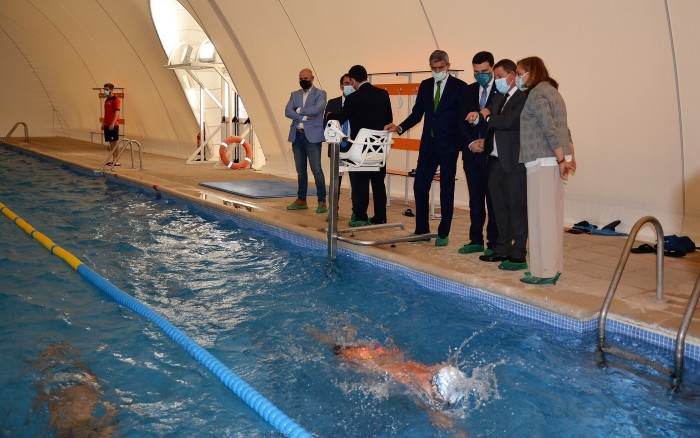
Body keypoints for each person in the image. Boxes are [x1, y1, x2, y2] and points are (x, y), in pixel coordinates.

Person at [308, 327, 469, 435]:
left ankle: (347, 333)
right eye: (437, 398)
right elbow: (426, 406)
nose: (436, 401)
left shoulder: (433, 370)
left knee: (345, 345)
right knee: (336, 348)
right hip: (365, 360)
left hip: (383, 355)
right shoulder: (409, 381)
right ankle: (316, 334)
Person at [385, 50, 468, 246]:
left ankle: (443, 233)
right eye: (433, 68)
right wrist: (400, 127)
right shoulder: (425, 85)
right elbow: (417, 113)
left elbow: (462, 119)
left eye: (440, 68)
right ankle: (421, 228)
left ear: (448, 65)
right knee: (420, 185)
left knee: (446, 188)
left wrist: (463, 144)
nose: (437, 71)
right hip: (428, 144)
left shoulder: (460, 87)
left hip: (449, 145)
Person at [516, 56, 576, 285]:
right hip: (554, 159)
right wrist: (569, 157)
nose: (519, 77)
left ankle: (543, 271)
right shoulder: (553, 91)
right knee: (553, 216)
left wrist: (562, 159)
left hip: (543, 160)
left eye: (520, 72)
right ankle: (554, 267)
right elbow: (565, 128)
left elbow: (548, 127)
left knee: (541, 217)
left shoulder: (537, 93)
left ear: (530, 72)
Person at [465, 59, 528, 271]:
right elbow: (489, 111)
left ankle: (519, 253)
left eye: (499, 76)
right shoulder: (500, 96)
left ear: (512, 76)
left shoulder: (522, 97)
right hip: (495, 160)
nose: (497, 80)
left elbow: (508, 121)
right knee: (499, 209)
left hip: (514, 162)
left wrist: (488, 117)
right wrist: (478, 115)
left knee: (516, 209)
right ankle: (502, 250)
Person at [328, 65, 392, 227]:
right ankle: (380, 216)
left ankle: (361, 216)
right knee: (378, 182)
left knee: (360, 182)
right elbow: (388, 120)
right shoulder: (383, 94)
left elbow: (341, 118)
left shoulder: (354, 98)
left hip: (360, 149)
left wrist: (330, 115)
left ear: (354, 80)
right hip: (379, 147)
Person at [458, 51, 499, 255]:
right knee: (475, 199)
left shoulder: (500, 93)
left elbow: (503, 122)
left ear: (492, 68)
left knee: (493, 200)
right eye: (476, 72)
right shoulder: (468, 91)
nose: (480, 75)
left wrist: (487, 141)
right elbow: (460, 121)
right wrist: (471, 142)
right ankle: (475, 239)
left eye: (484, 71)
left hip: (492, 155)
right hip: (472, 153)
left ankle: (493, 242)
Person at [30, 342, 118, 437]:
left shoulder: (63, 422)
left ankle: (54, 353)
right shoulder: (69, 419)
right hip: (73, 399)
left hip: (68, 403)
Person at [284, 68, 328, 214]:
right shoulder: (294, 94)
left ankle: (322, 201)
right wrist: (303, 116)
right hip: (297, 135)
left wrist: (298, 111)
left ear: (312, 78)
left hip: (313, 137)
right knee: (300, 171)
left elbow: (317, 110)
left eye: (306, 78)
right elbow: (287, 111)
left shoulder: (320, 94)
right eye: (301, 78)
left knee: (317, 170)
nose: (303, 80)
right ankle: (301, 199)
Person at [323, 74, 354, 216]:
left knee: (356, 183)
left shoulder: (359, 102)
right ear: (341, 86)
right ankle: (333, 211)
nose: (348, 86)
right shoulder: (333, 103)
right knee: (336, 182)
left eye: (350, 83)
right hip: (337, 149)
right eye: (346, 83)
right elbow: (326, 125)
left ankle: (357, 212)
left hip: (354, 148)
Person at [102, 83, 122, 166]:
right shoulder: (107, 100)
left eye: (106, 89)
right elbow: (106, 113)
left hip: (113, 124)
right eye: (104, 89)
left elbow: (117, 112)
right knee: (111, 142)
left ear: (111, 90)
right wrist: (103, 123)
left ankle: (117, 160)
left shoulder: (116, 99)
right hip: (107, 124)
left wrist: (112, 123)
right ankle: (113, 159)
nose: (105, 91)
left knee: (115, 142)